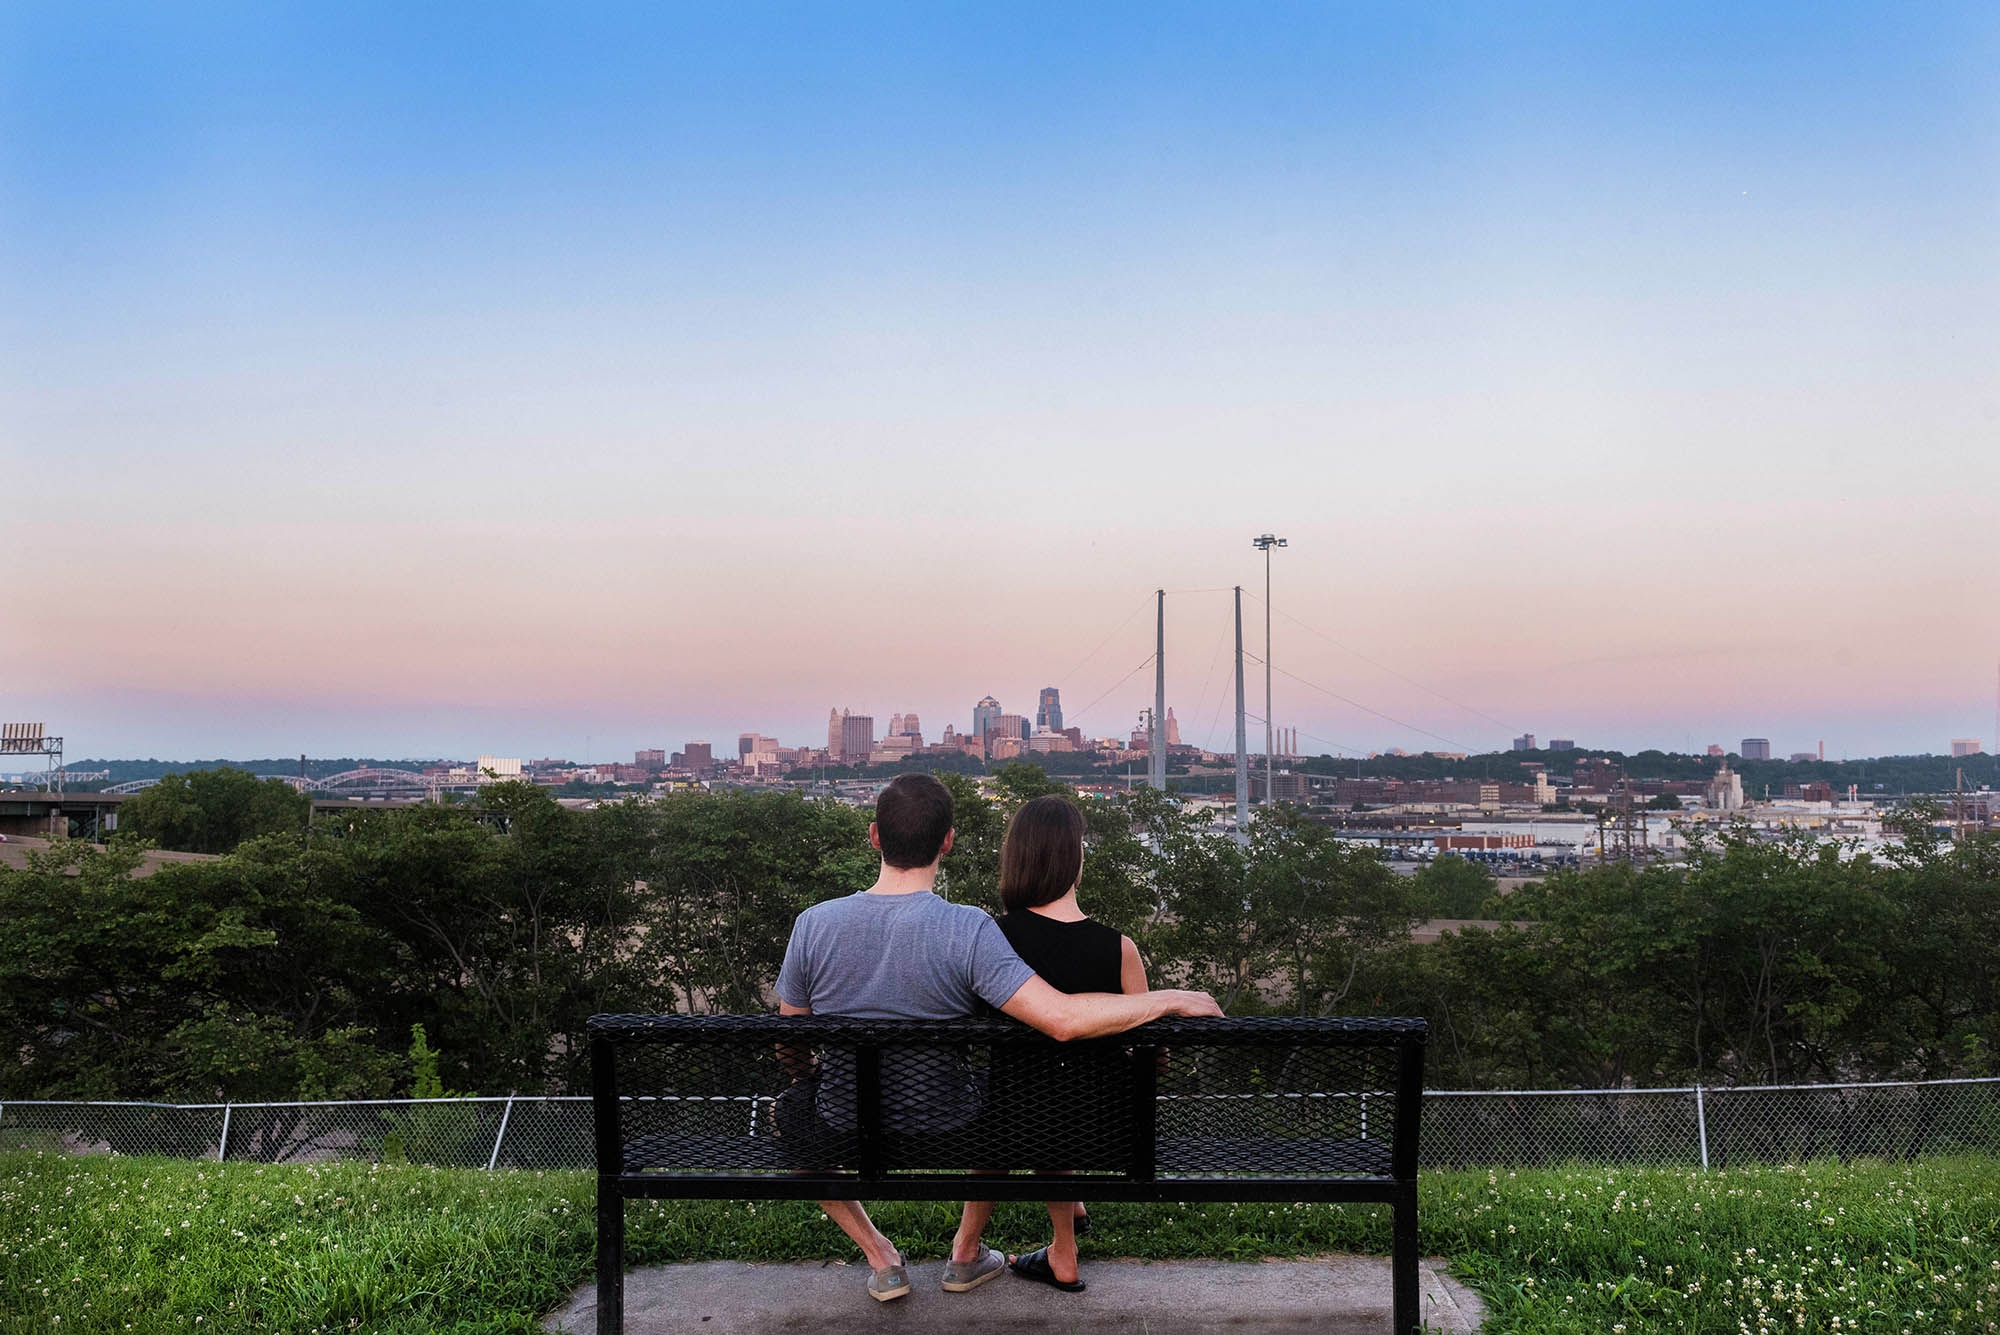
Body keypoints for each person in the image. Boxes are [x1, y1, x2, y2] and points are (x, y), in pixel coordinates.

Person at [774, 773, 1221, 1303]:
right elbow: (1060, 1018)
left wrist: (810, 1079)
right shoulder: (970, 929)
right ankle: (964, 1254)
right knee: (1005, 1093)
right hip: (950, 1125)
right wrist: (1167, 999)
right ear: (948, 840)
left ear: (874, 836)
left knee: (790, 1113)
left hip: (844, 1122)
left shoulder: (813, 925)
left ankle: (881, 1256)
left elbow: (790, 1041)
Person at [991, 794, 1148, 1293]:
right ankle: (1067, 1229)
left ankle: (1064, 1245)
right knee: (1065, 1091)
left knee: (1036, 1090)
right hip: (1112, 1128)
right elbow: (1151, 1054)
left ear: (1018, 859)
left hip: (1016, 1125)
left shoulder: (995, 941)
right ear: (1076, 860)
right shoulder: (1120, 948)